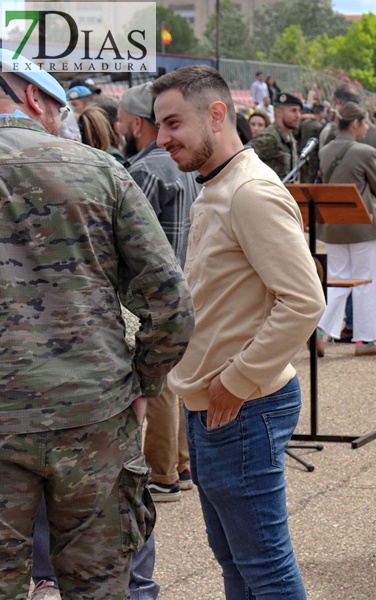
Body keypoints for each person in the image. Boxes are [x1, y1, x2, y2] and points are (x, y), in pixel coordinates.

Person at [0, 49, 192, 599]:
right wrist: (144, 384)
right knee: (99, 584)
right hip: (93, 413)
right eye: (61, 108)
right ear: (33, 97)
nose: (65, 121)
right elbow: (171, 302)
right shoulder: (98, 170)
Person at [153, 65, 325, 599]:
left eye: (174, 123)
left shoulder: (249, 192)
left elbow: (304, 302)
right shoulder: (219, 186)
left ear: (218, 114)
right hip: (214, 405)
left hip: (242, 407)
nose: (162, 139)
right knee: (236, 563)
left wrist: (238, 380)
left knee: (265, 569)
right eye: (159, 125)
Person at [117, 81, 203, 501]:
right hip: (184, 286)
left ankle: (162, 473)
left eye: (121, 119)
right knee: (178, 381)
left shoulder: (145, 171)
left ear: (136, 123)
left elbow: (130, 243)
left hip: (152, 295)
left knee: (162, 385)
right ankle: (182, 465)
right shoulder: (180, 166)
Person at [315, 103, 376, 357]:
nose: (367, 127)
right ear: (355, 123)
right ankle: (366, 339)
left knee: (338, 278)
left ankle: (321, 328)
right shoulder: (365, 151)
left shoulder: (324, 151)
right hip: (361, 224)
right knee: (365, 279)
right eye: (365, 123)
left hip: (334, 225)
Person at [248, 91, 302, 181]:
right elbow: (241, 159)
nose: (298, 116)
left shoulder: (290, 139)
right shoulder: (270, 138)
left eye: (299, 111)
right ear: (278, 112)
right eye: (293, 111)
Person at [296, 103, 325, 184]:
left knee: (303, 174)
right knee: (311, 176)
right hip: (314, 155)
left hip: (302, 151)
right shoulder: (319, 125)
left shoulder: (304, 123)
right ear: (321, 113)